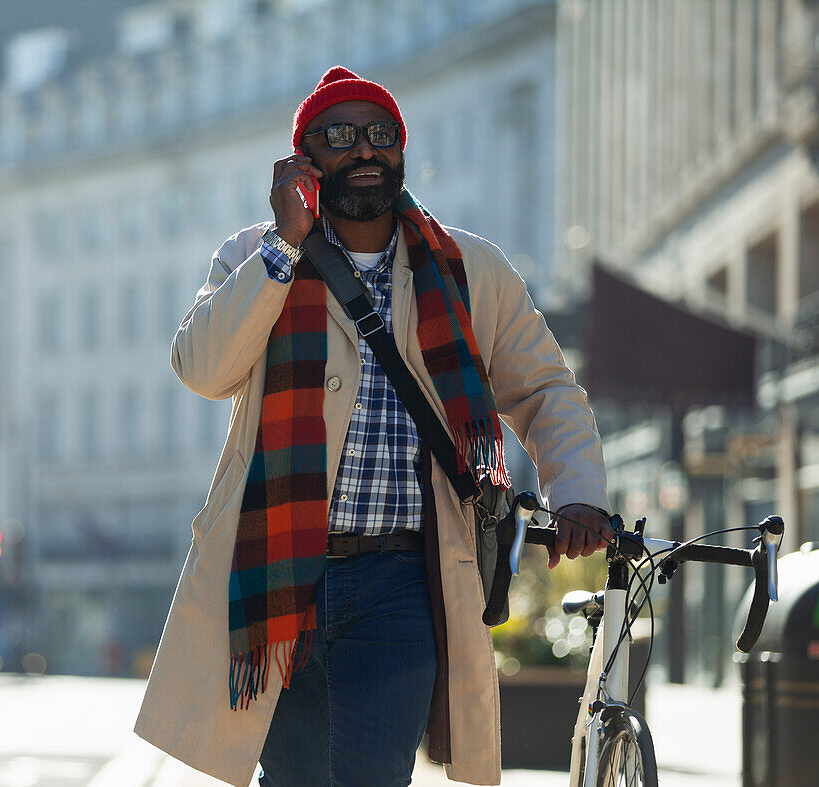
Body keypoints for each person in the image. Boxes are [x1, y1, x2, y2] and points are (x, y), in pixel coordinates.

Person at [135, 66, 611, 787]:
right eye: (340, 136)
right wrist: (283, 247)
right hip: (282, 577)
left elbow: (545, 389)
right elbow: (202, 368)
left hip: (402, 581)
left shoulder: (468, 269)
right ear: (304, 160)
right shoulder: (254, 256)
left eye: (381, 135)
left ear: (401, 152)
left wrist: (576, 492)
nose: (365, 150)